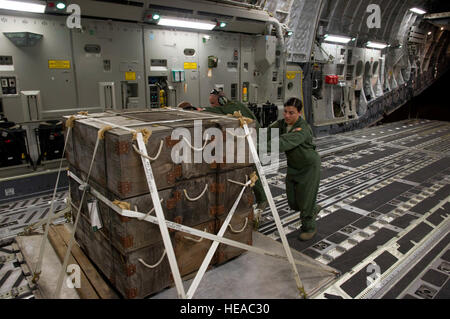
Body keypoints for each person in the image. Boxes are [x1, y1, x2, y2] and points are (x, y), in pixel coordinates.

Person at [178, 90, 268, 210]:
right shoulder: (228, 108)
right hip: (246, 142)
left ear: (222, 100)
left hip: (253, 142)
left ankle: (262, 201)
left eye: (214, 103)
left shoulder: (233, 106)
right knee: (248, 172)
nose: (212, 106)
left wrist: (198, 110)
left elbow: (218, 111)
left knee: (253, 172)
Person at [268, 97, 321, 241]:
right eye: (285, 112)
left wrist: (255, 147)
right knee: (293, 201)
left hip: (309, 167)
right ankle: (312, 208)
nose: (286, 115)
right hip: (294, 166)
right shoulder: (282, 124)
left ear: (299, 113)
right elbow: (266, 133)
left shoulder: (302, 129)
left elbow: (283, 143)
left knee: (305, 200)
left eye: (291, 113)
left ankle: (309, 227)